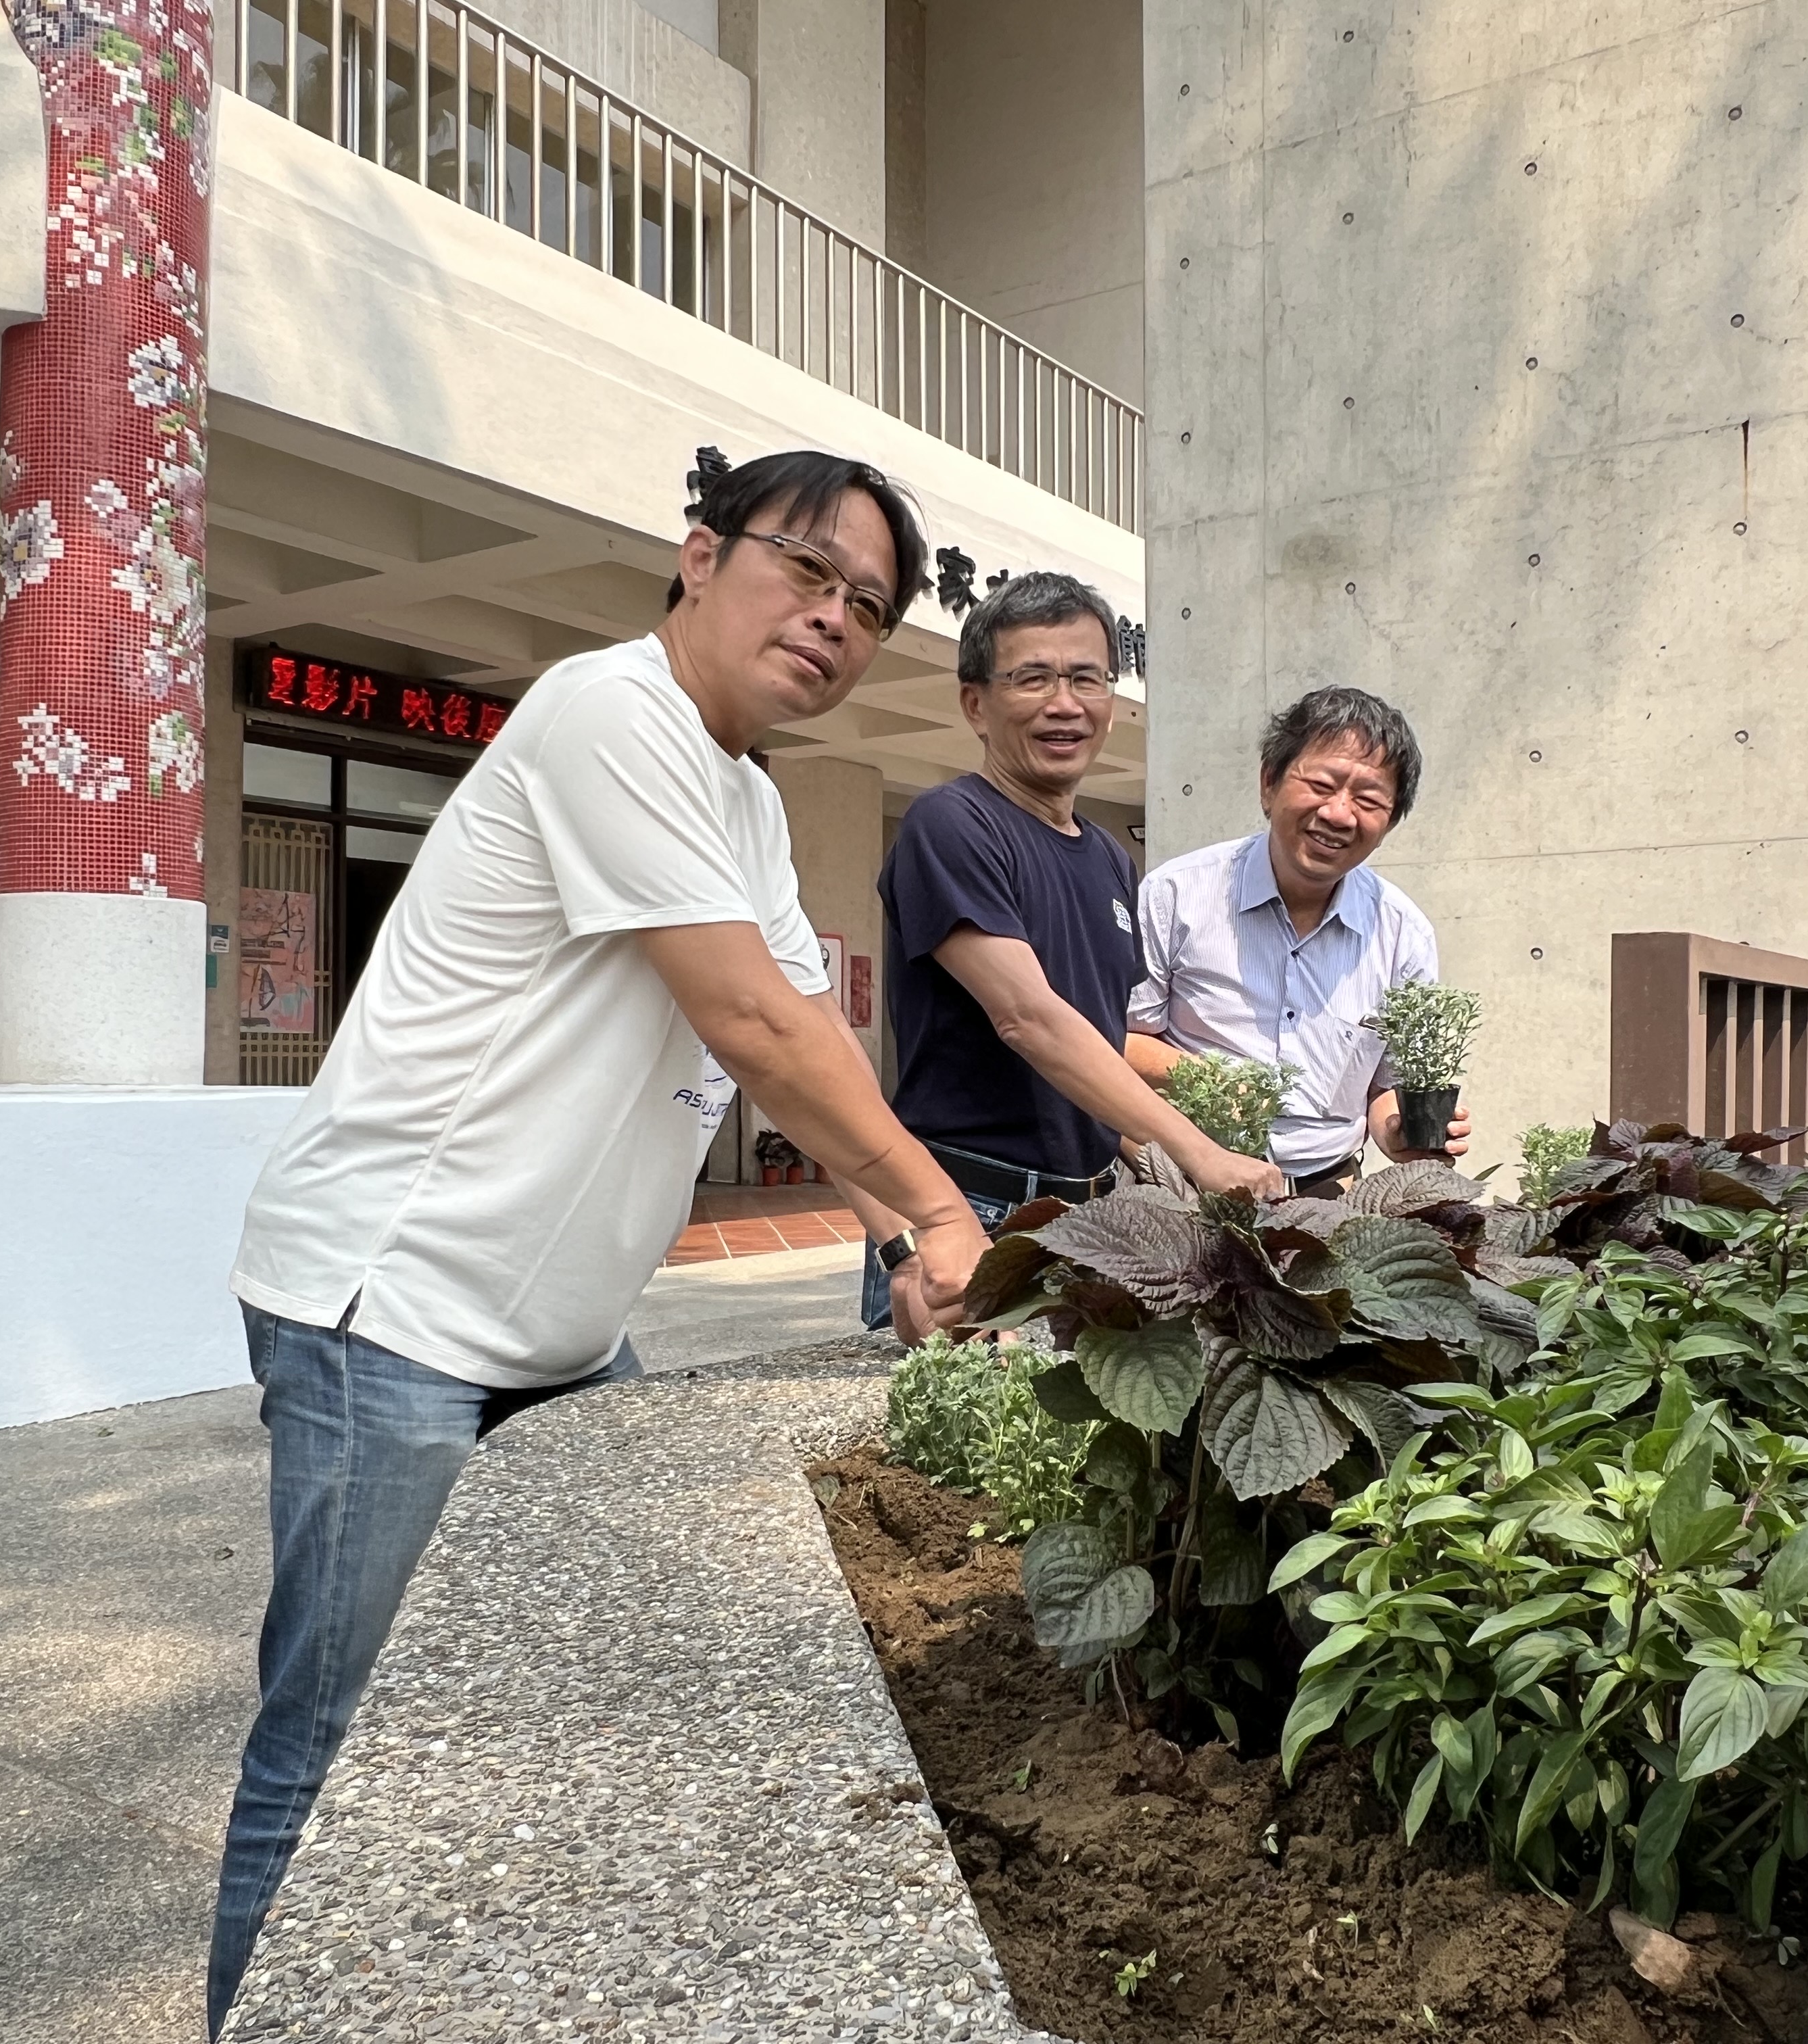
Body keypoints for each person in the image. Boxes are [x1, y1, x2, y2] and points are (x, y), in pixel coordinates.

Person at [207, 450, 990, 2036]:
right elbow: (755, 1018)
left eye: (868, 607)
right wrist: (935, 1212)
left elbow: (801, 1043)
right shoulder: (605, 709)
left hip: (558, 1336)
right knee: (338, 1746)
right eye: (807, 572)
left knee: (587, 1694)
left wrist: (893, 1236)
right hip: (396, 1308)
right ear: (700, 558)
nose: (834, 620)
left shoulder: (747, 797)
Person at [864, 571, 1284, 1325]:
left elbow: (1095, 1043)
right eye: (1033, 679)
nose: (1065, 704)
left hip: (1088, 1210)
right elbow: (1027, 1017)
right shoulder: (951, 825)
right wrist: (1199, 1151)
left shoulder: (1108, 859)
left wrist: (1156, 1172)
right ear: (976, 704)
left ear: (1114, 706)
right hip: (972, 1209)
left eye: (1086, 679)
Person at [1125, 685, 1470, 1196]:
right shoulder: (1175, 895)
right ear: (1270, 783)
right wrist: (1211, 1082)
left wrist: (1398, 1133)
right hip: (1182, 1183)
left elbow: (1383, 1089)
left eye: (1369, 800)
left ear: (1389, 821)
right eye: (1323, 785)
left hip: (1329, 1193)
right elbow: (1116, 1039)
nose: (1338, 814)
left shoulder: (1403, 934)